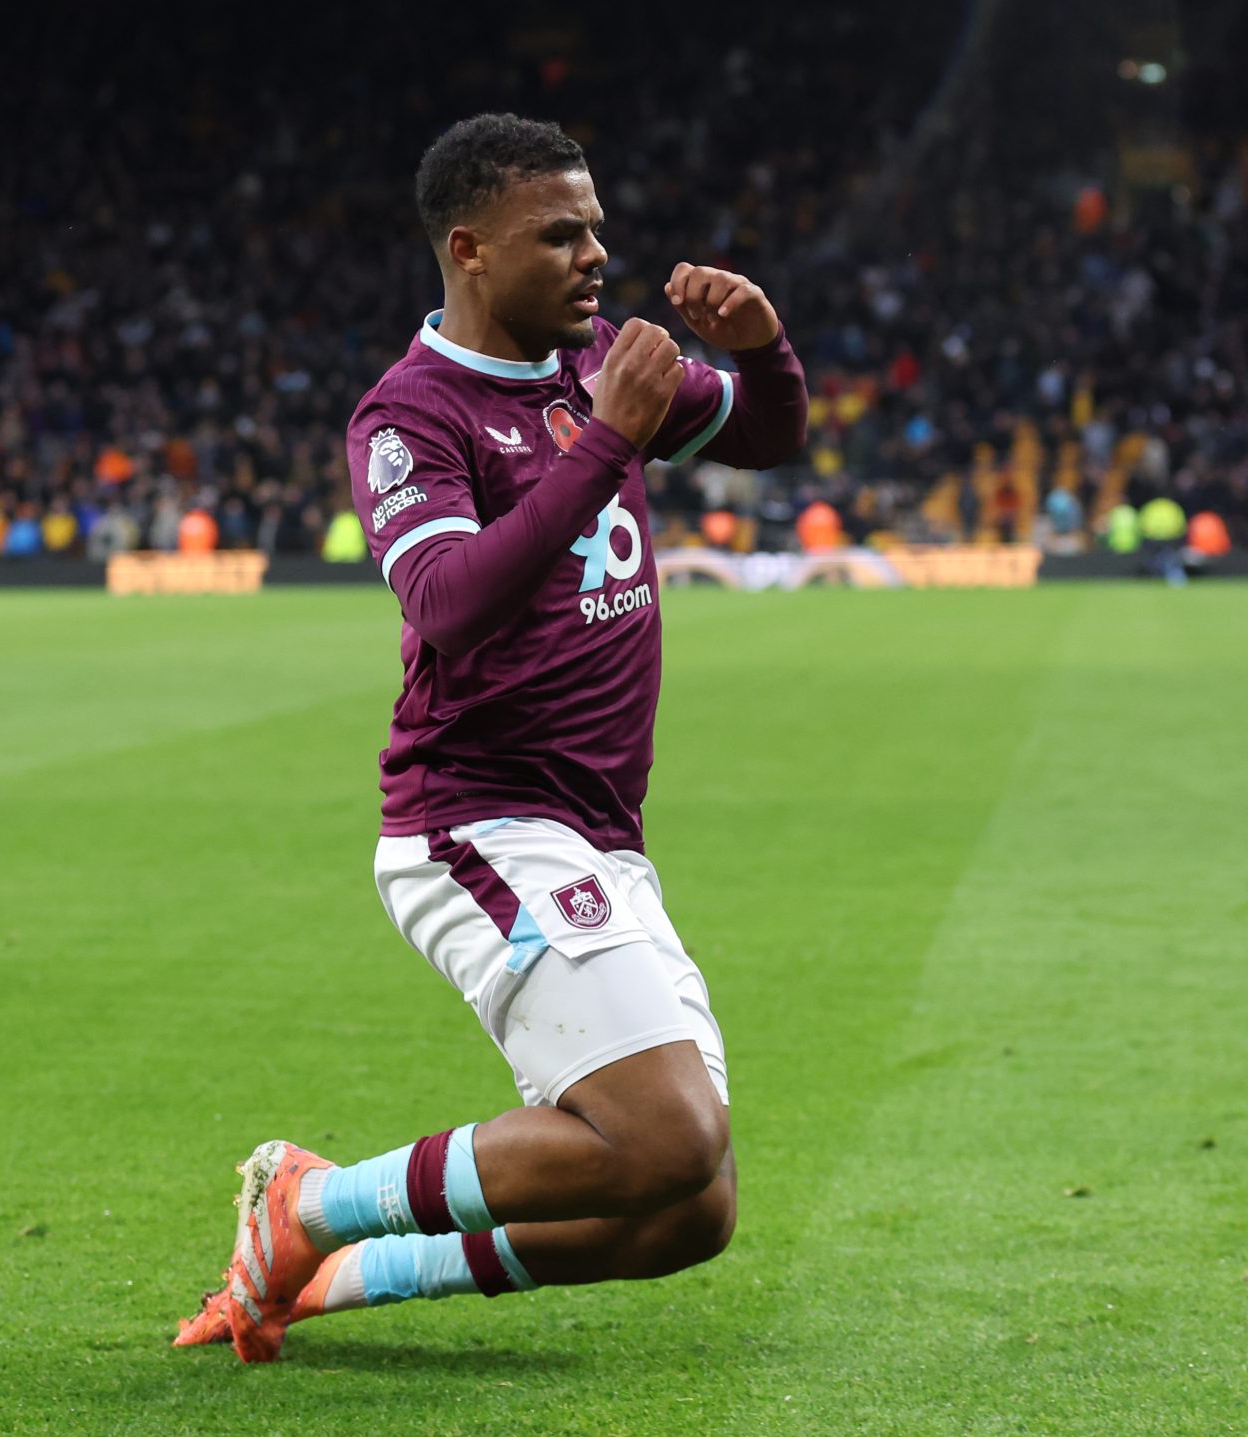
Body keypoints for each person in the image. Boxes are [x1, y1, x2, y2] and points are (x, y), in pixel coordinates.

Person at [175, 113, 808, 1363]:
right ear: (468, 249)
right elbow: (447, 604)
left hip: (597, 831)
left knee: (688, 1210)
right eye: (559, 235)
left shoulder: (595, 365)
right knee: (668, 1137)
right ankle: (307, 1203)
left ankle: (337, 1275)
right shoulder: (410, 416)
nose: (594, 256)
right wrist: (610, 439)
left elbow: (769, 435)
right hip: (475, 821)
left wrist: (761, 346)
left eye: (596, 230)